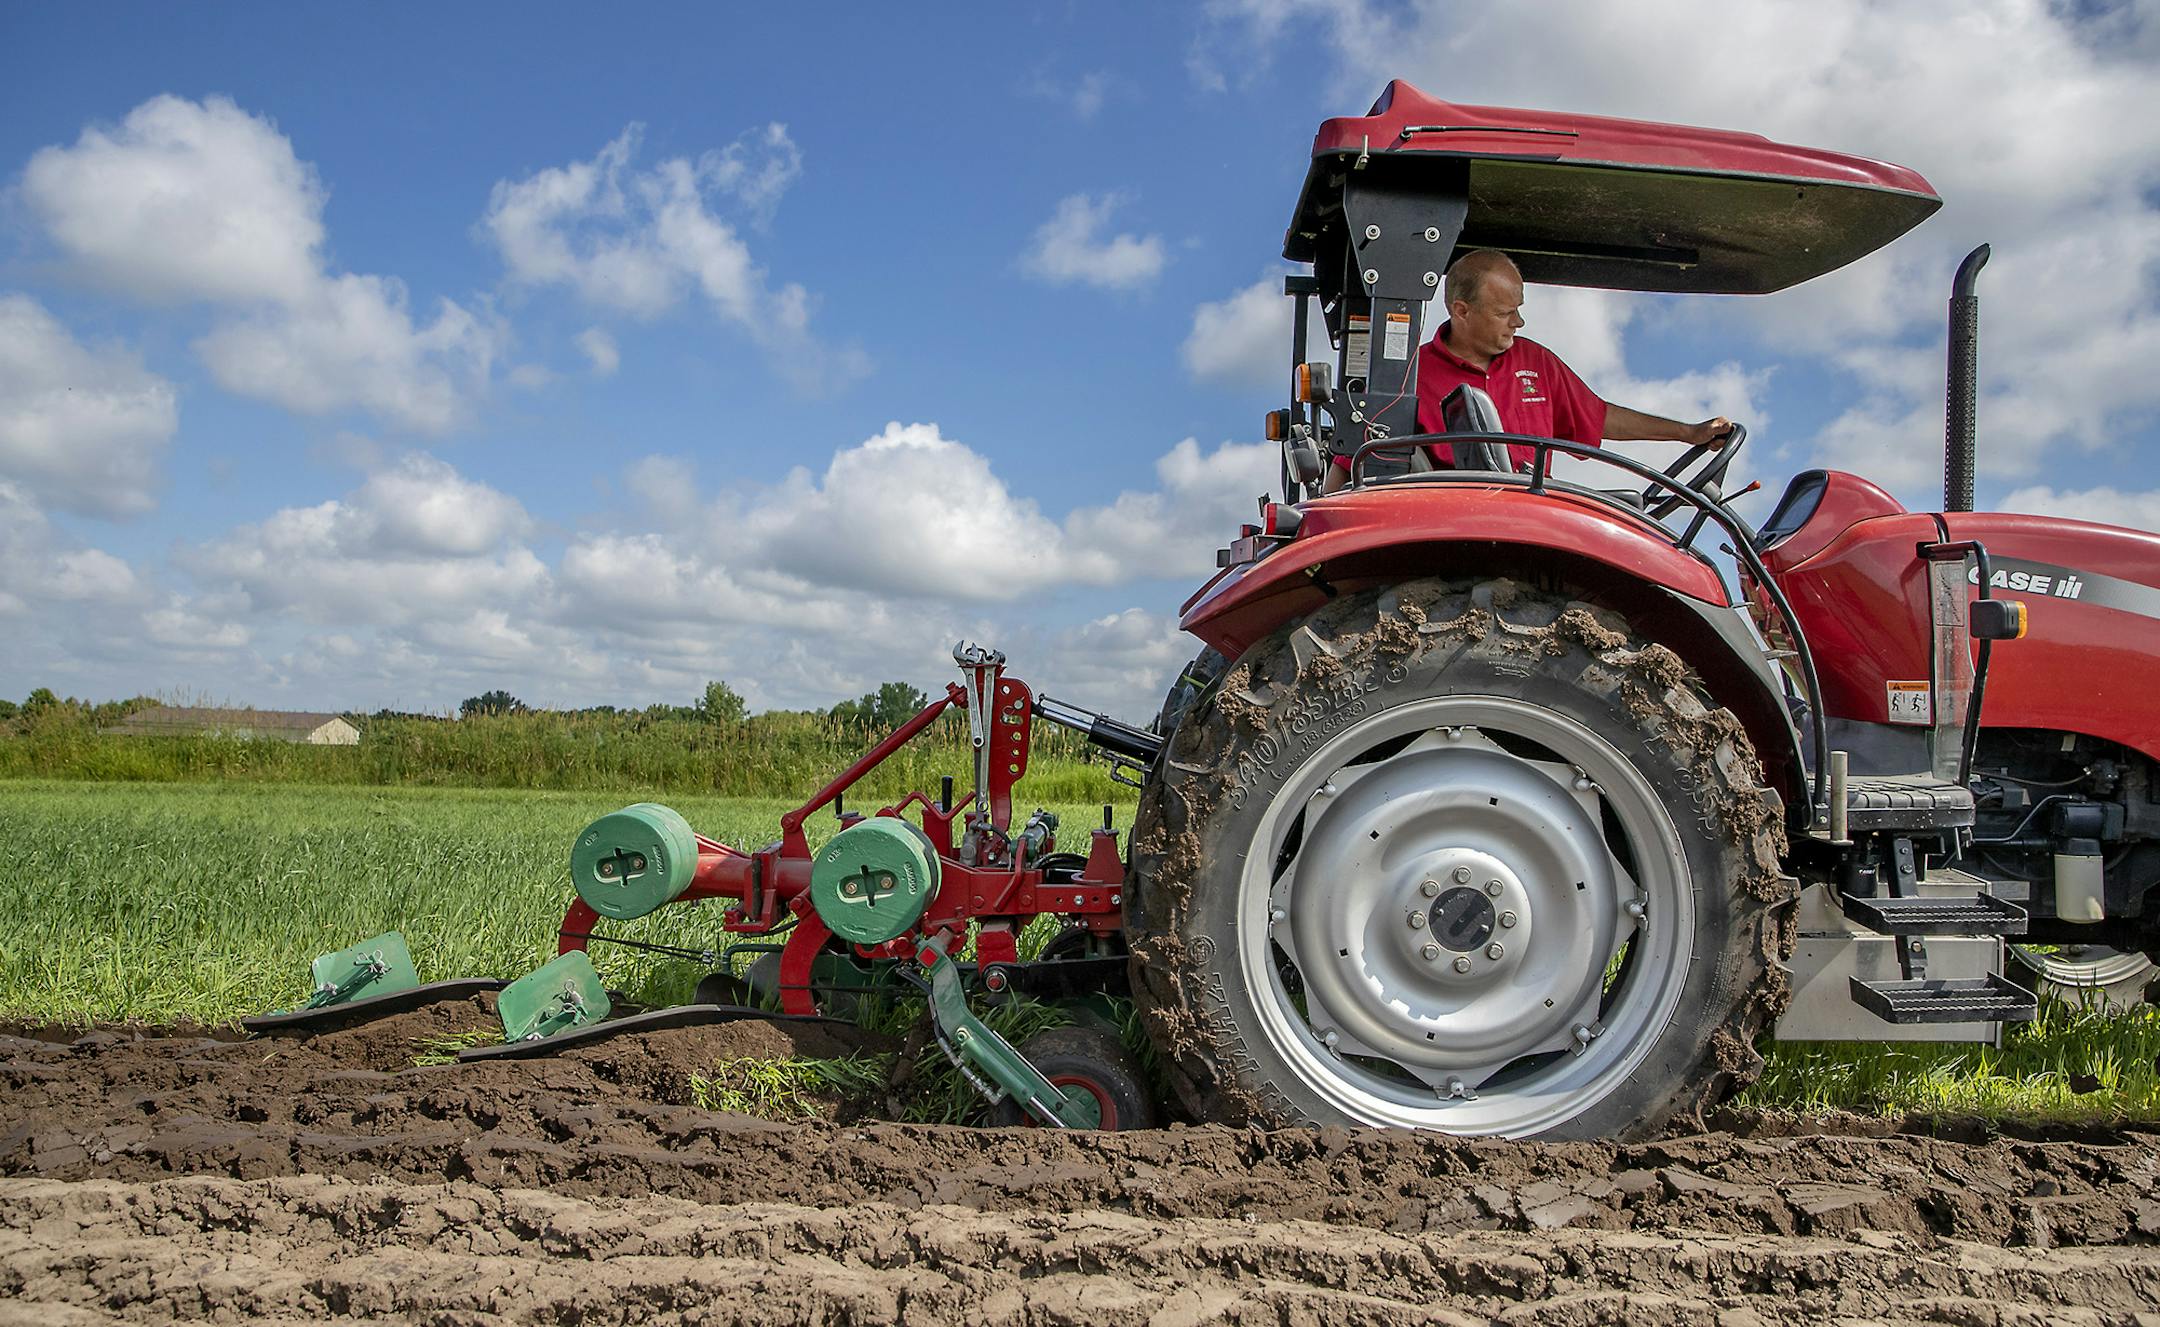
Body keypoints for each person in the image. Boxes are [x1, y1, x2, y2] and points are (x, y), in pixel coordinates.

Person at [1323, 249, 1729, 491]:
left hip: (1529, 509)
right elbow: (1354, 462)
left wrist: (1686, 433)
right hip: (1452, 520)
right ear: (1461, 311)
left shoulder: (1535, 362)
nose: (1518, 322)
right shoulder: (1409, 376)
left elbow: (1598, 417)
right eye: (1504, 313)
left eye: (1518, 309)